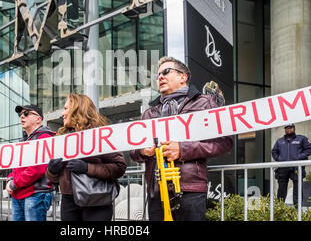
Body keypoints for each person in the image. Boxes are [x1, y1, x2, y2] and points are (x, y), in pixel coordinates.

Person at [130, 56, 233, 221]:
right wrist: (142, 151)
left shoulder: (205, 103)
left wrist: (182, 149)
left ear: (183, 77)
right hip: (157, 191)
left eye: (166, 72)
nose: (160, 77)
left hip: (190, 190)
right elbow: (133, 152)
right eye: (158, 75)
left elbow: (224, 142)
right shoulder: (149, 113)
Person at [46, 94, 127, 221]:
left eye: (66, 108)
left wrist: (87, 168)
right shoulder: (61, 138)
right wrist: (51, 171)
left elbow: (119, 167)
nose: (62, 113)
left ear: (78, 109)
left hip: (97, 198)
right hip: (69, 201)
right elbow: (54, 179)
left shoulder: (100, 134)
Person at [6, 104, 55, 221]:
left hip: (35, 194)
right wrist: (9, 179)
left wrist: (14, 183)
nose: (22, 116)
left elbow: (37, 169)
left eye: (26, 113)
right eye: (20, 114)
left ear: (39, 119)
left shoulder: (44, 137)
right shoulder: (24, 140)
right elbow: (15, 166)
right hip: (20, 194)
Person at [272, 123, 311, 206]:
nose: (288, 129)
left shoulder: (301, 139)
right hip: (283, 168)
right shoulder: (280, 141)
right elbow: (274, 152)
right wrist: (279, 159)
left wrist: (299, 157)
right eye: (287, 128)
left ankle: (297, 210)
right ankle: (279, 209)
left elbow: (310, 149)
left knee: (298, 189)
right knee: (281, 189)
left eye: (290, 128)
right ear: (285, 129)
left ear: (294, 128)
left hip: (296, 167)